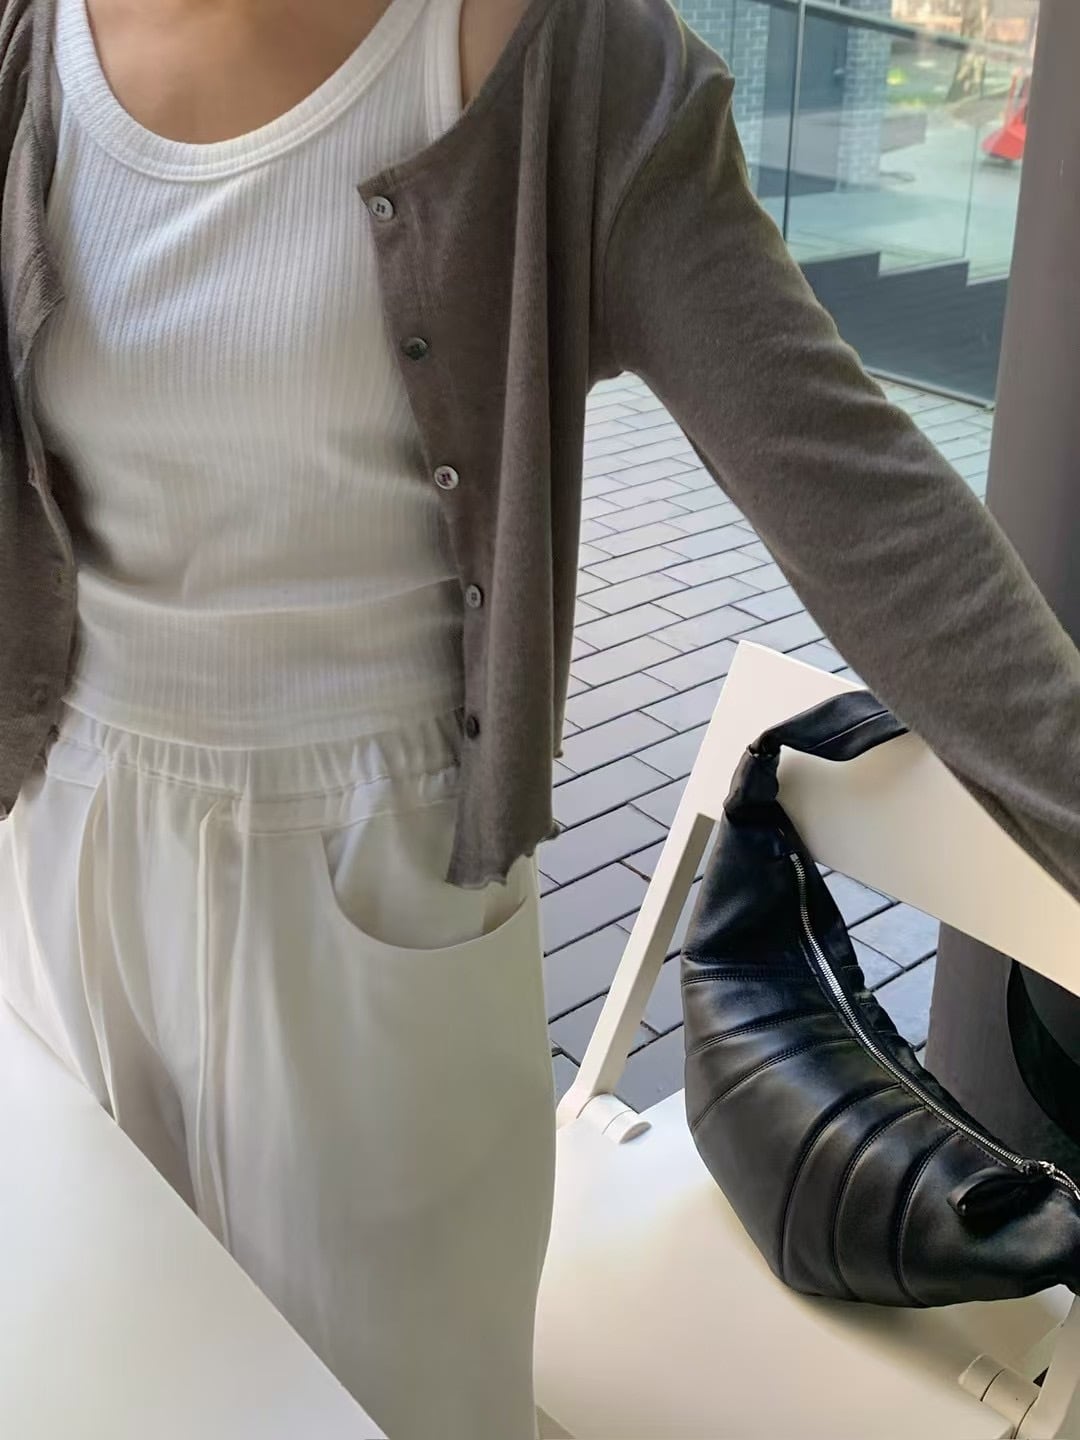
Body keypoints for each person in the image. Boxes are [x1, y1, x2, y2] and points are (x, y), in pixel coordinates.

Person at [2, 0, 1080, 1436]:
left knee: (396, 1407)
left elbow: (879, 522)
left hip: (371, 895)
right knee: (104, 1377)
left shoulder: (563, 66)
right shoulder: (33, 45)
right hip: (65, 844)